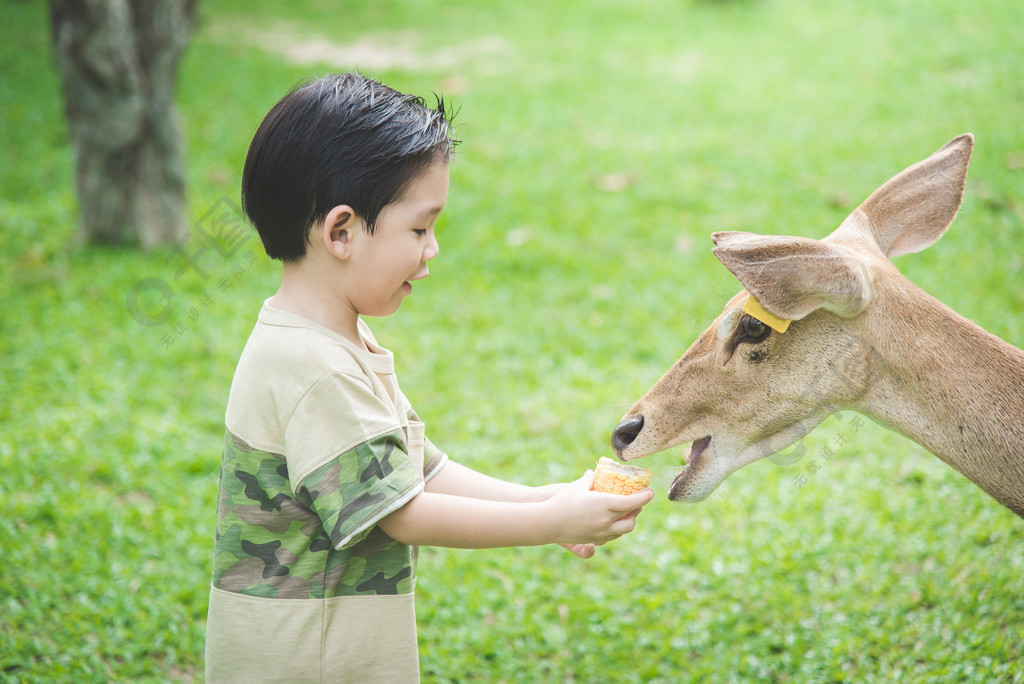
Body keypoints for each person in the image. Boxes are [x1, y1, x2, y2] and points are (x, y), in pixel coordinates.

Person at [204, 72, 653, 683]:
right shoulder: (315, 370)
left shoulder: (339, 340)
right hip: (307, 661)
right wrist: (549, 523)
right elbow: (403, 512)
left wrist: (548, 499)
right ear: (341, 232)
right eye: (419, 229)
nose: (432, 249)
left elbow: (420, 470)